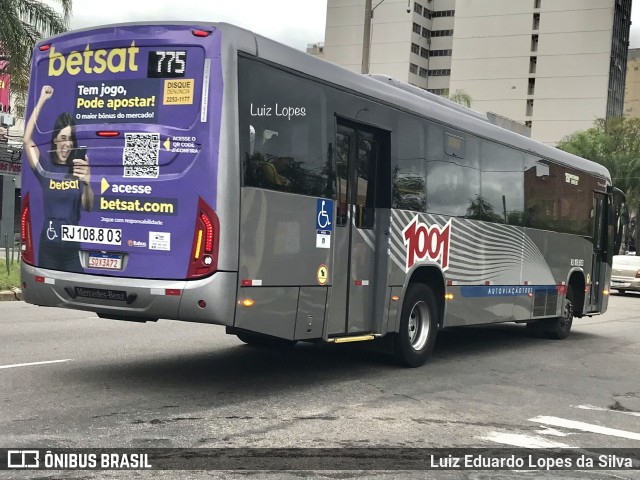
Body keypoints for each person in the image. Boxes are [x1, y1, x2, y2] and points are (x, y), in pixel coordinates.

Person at [23, 85, 94, 272]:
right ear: (55, 139)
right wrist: (41, 100)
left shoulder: (78, 168)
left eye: (70, 139)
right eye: (63, 138)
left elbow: (88, 206)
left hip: (72, 248)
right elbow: (26, 140)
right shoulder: (45, 168)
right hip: (49, 246)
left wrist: (87, 183)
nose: (66, 144)